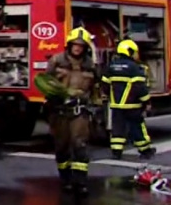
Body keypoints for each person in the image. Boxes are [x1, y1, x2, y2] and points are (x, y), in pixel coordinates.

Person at [45, 27, 100, 196]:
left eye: (81, 45)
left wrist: (95, 105)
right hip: (59, 110)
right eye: (75, 45)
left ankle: (81, 182)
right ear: (69, 45)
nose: (77, 48)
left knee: (79, 145)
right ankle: (65, 180)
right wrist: (52, 98)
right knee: (61, 146)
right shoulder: (56, 61)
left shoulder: (90, 65)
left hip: (80, 110)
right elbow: (46, 82)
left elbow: (96, 88)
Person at [102, 38, 156, 160]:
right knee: (138, 128)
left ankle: (116, 152)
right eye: (135, 52)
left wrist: (110, 97)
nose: (137, 55)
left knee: (117, 129)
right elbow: (140, 88)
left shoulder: (111, 66)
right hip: (133, 106)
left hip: (116, 106)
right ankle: (145, 150)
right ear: (130, 51)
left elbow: (105, 85)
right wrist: (146, 102)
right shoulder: (135, 68)